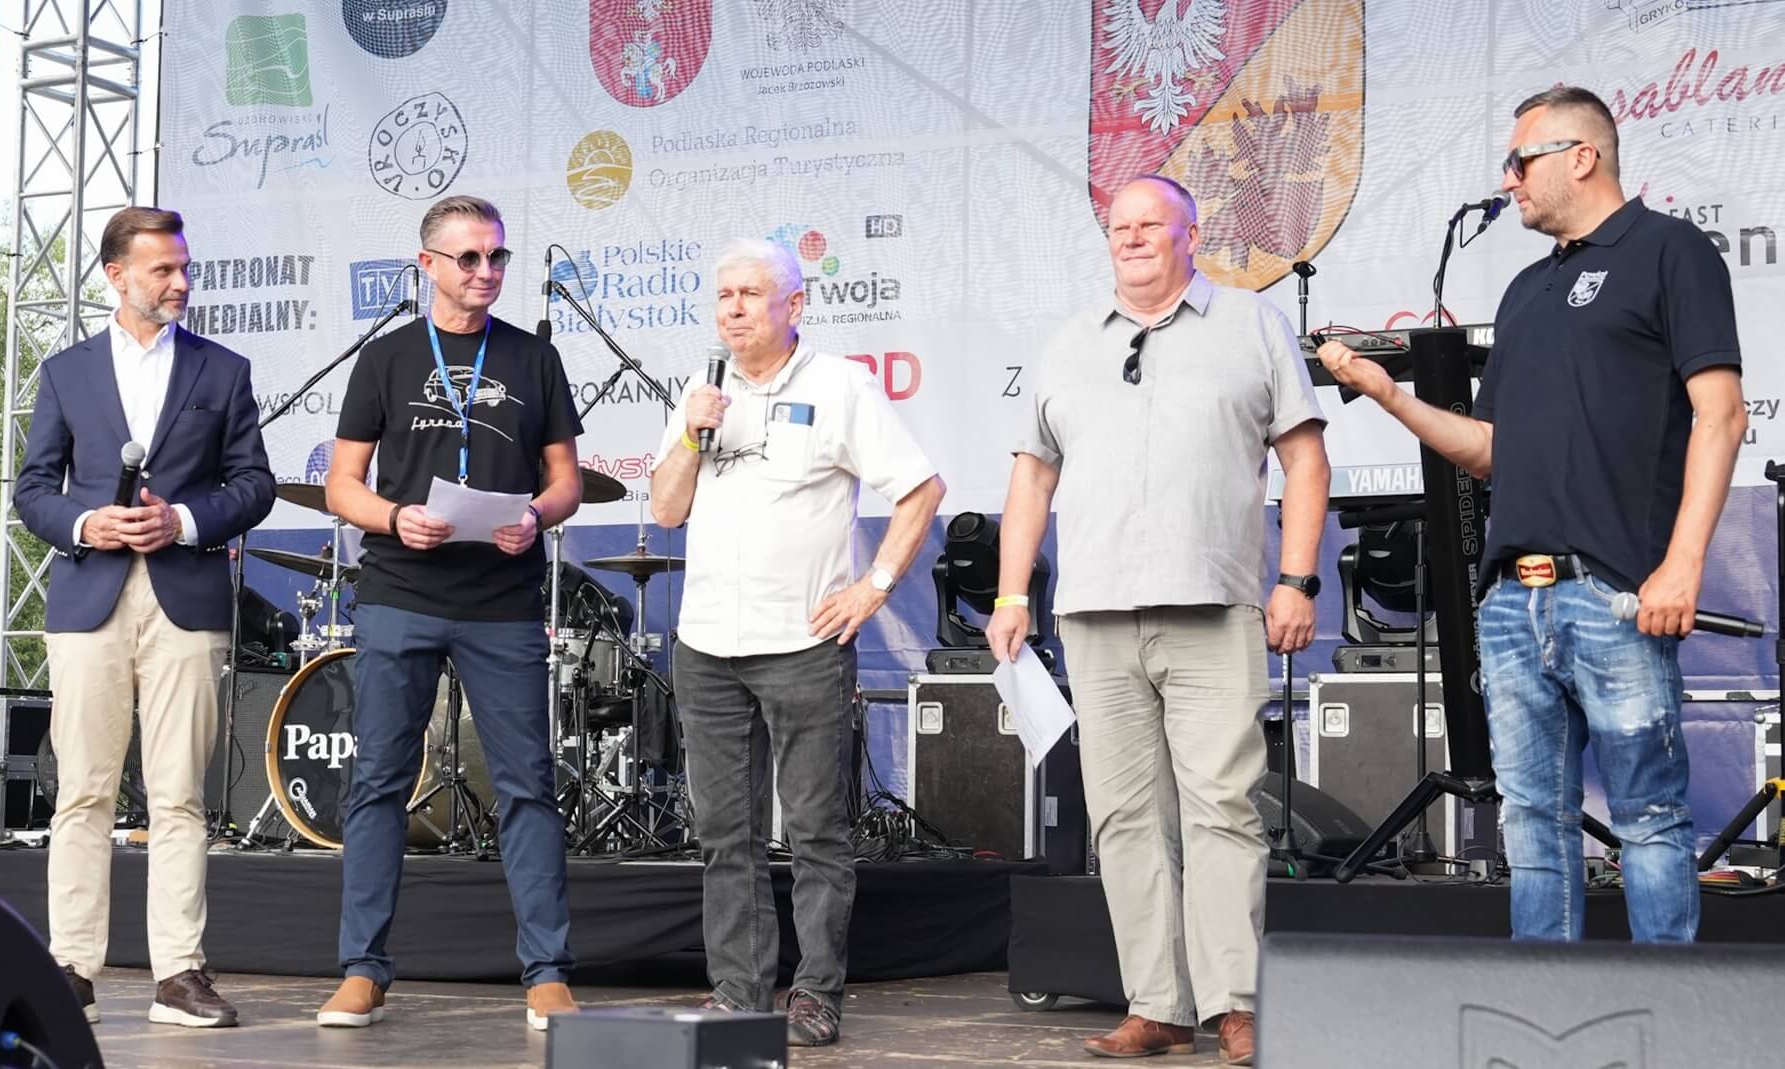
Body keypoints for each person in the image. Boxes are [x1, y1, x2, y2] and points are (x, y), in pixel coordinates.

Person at [1318, 86, 1745, 943]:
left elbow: (1721, 413)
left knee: (1648, 817)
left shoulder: (1669, 249)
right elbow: (1489, 451)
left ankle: (1668, 1005)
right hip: (1513, 601)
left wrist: (1682, 562)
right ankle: (1544, 1006)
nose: (1507, 179)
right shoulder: (1524, 289)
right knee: (1532, 823)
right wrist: (1387, 394)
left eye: (1519, 161)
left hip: (1615, 591)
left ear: (1581, 157)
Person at [988, 176, 1329, 1065]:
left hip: (1212, 605)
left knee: (1221, 808)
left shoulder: (1250, 324)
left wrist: (1296, 579)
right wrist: (1011, 593)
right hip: (1094, 616)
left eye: (1151, 224)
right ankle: (1156, 1005)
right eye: (1119, 226)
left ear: (1190, 234)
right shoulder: (1068, 343)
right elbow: (1032, 474)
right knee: (1122, 817)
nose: (1133, 237)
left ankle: (1233, 1003)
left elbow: (1303, 457)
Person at [649, 238, 946, 1047]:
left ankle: (815, 993)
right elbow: (666, 509)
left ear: (793, 304)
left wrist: (873, 586)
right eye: (724, 296)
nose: (734, 308)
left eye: (751, 293)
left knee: (816, 830)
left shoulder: (839, 385)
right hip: (706, 644)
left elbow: (921, 489)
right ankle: (737, 992)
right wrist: (689, 434)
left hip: (802, 644)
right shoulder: (701, 390)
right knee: (725, 835)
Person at [318, 195, 584, 1030]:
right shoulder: (386, 357)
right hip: (401, 592)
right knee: (378, 782)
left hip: (502, 601)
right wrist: (395, 516)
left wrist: (534, 515)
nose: (486, 271)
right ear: (427, 264)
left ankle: (546, 970)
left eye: (497, 256)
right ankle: (362, 968)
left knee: (527, 783)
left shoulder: (535, 358)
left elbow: (567, 481)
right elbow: (341, 485)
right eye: (468, 257)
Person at [15, 206, 276, 1028]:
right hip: (88, 600)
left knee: (179, 796)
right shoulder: (66, 372)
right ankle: (70, 969)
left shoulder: (222, 370)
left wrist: (185, 519)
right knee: (83, 793)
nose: (180, 282)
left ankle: (179, 974)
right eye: (163, 269)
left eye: (184, 267)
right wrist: (86, 523)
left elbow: (255, 485)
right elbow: (32, 490)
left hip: (185, 599)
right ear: (116, 274)